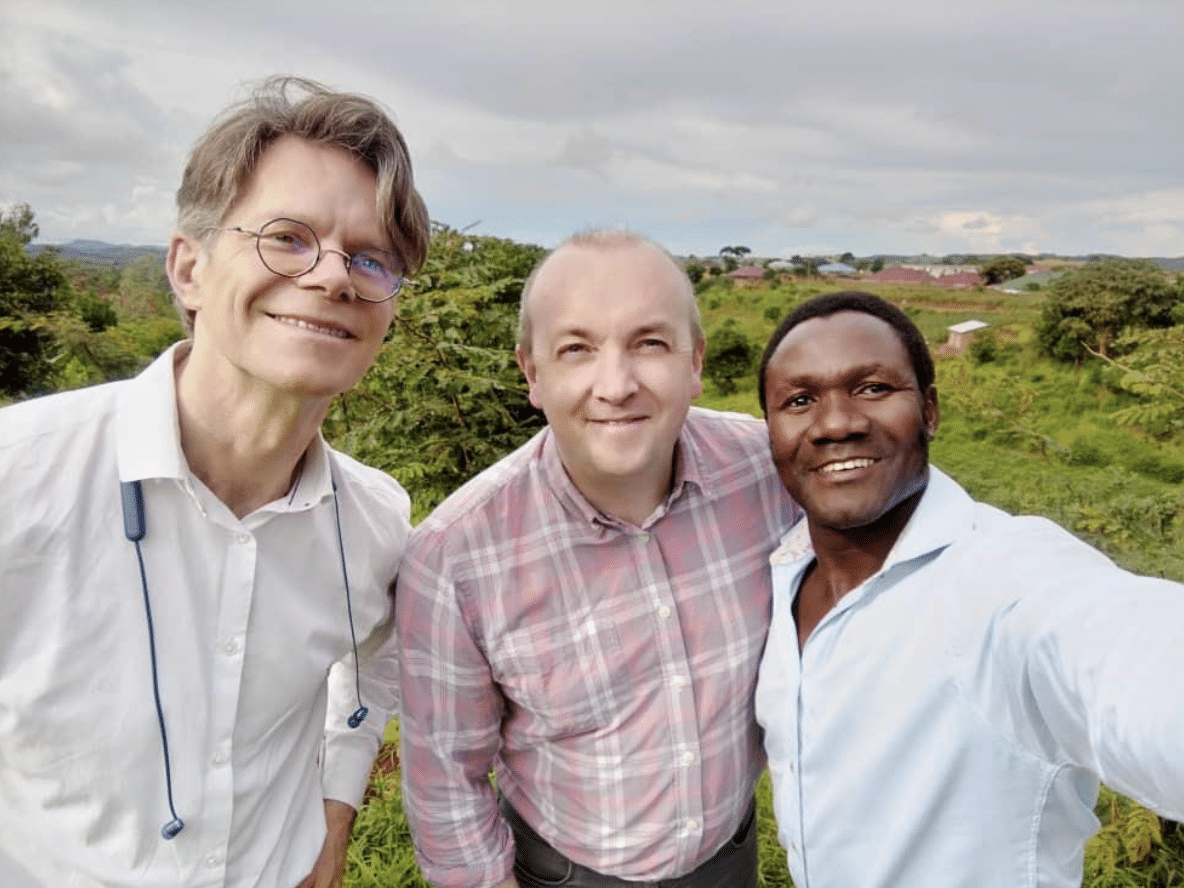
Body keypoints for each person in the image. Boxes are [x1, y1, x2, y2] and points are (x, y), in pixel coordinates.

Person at [0, 76, 431, 888]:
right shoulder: (19, 478)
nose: (334, 276)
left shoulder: (374, 522)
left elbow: (376, 667)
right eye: (287, 237)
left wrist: (334, 813)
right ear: (188, 268)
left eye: (371, 259)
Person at [396, 229, 801, 888]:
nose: (616, 385)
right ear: (533, 372)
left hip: (730, 857)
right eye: (577, 349)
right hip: (567, 872)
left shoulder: (770, 473)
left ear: (695, 361)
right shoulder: (455, 558)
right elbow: (446, 777)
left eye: (650, 343)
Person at [754, 290, 1184, 888]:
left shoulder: (1003, 576)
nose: (836, 424)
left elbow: (1121, 647)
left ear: (930, 411)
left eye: (874, 388)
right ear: (769, 433)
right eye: (799, 401)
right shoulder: (782, 570)